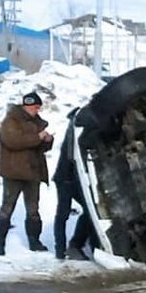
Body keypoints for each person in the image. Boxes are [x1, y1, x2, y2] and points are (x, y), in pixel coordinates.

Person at [0, 91, 54, 256]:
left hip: (33, 171)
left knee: (33, 209)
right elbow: (13, 141)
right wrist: (38, 137)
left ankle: (34, 241)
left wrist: (47, 141)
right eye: (35, 107)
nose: (37, 110)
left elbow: (39, 147)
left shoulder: (37, 122)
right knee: (7, 207)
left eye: (38, 107)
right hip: (14, 172)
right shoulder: (11, 120)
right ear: (27, 106)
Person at [53, 108, 98, 261]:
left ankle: (75, 245)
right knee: (64, 213)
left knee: (88, 211)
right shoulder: (77, 130)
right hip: (66, 178)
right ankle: (65, 248)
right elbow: (73, 155)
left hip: (71, 177)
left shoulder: (74, 128)